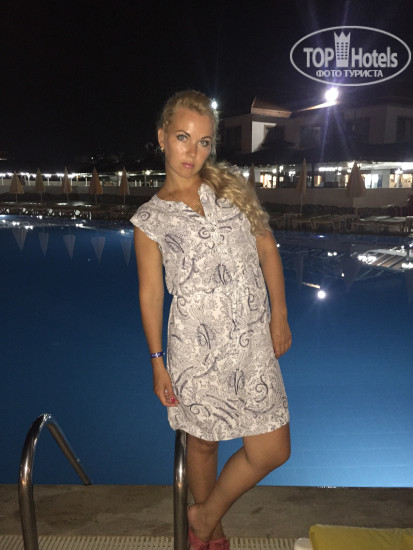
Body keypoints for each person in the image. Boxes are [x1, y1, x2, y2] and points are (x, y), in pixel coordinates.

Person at [131, 90, 291, 550]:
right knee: (202, 443)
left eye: (203, 142)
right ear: (162, 137)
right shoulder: (149, 219)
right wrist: (157, 361)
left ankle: (202, 516)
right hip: (195, 349)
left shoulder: (231, 188)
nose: (193, 152)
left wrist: (279, 314)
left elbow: (266, 248)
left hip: (251, 342)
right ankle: (211, 534)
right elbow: (150, 295)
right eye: (183, 137)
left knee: (272, 449)